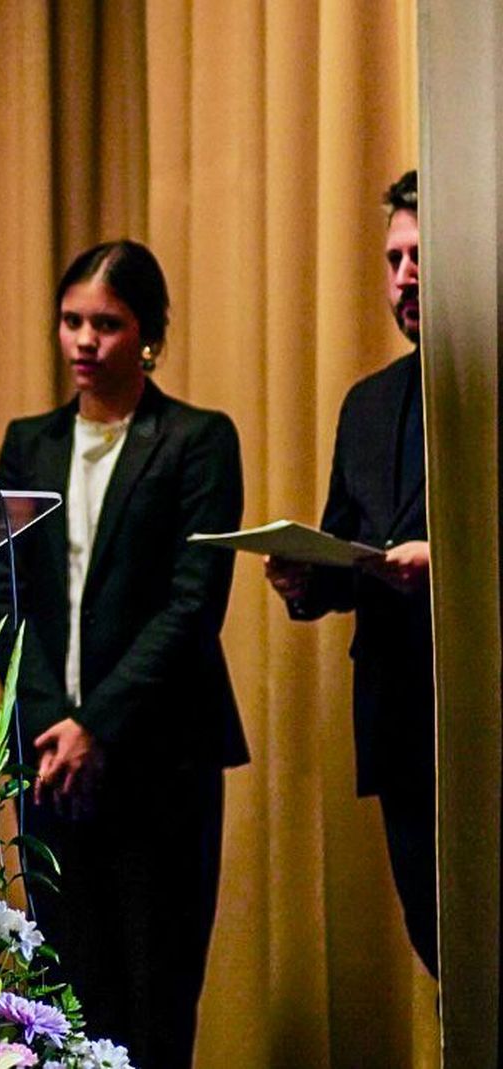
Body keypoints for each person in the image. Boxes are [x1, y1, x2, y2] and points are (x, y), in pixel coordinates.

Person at [0, 240, 247, 1069]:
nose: (84, 341)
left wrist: (97, 724)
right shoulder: (28, 443)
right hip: (52, 764)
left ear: (150, 334)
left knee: (156, 997)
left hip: (159, 760)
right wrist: (49, 725)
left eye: (108, 323)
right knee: (65, 996)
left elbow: (192, 603)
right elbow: (0, 598)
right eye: (71, 321)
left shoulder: (197, 440)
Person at [264, 169, 436, 975]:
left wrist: (447, 563)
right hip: (402, 716)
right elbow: (347, 543)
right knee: (436, 941)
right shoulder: (367, 404)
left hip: (482, 701)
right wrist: (309, 579)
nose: (404, 275)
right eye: (395, 258)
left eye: (422, 255)